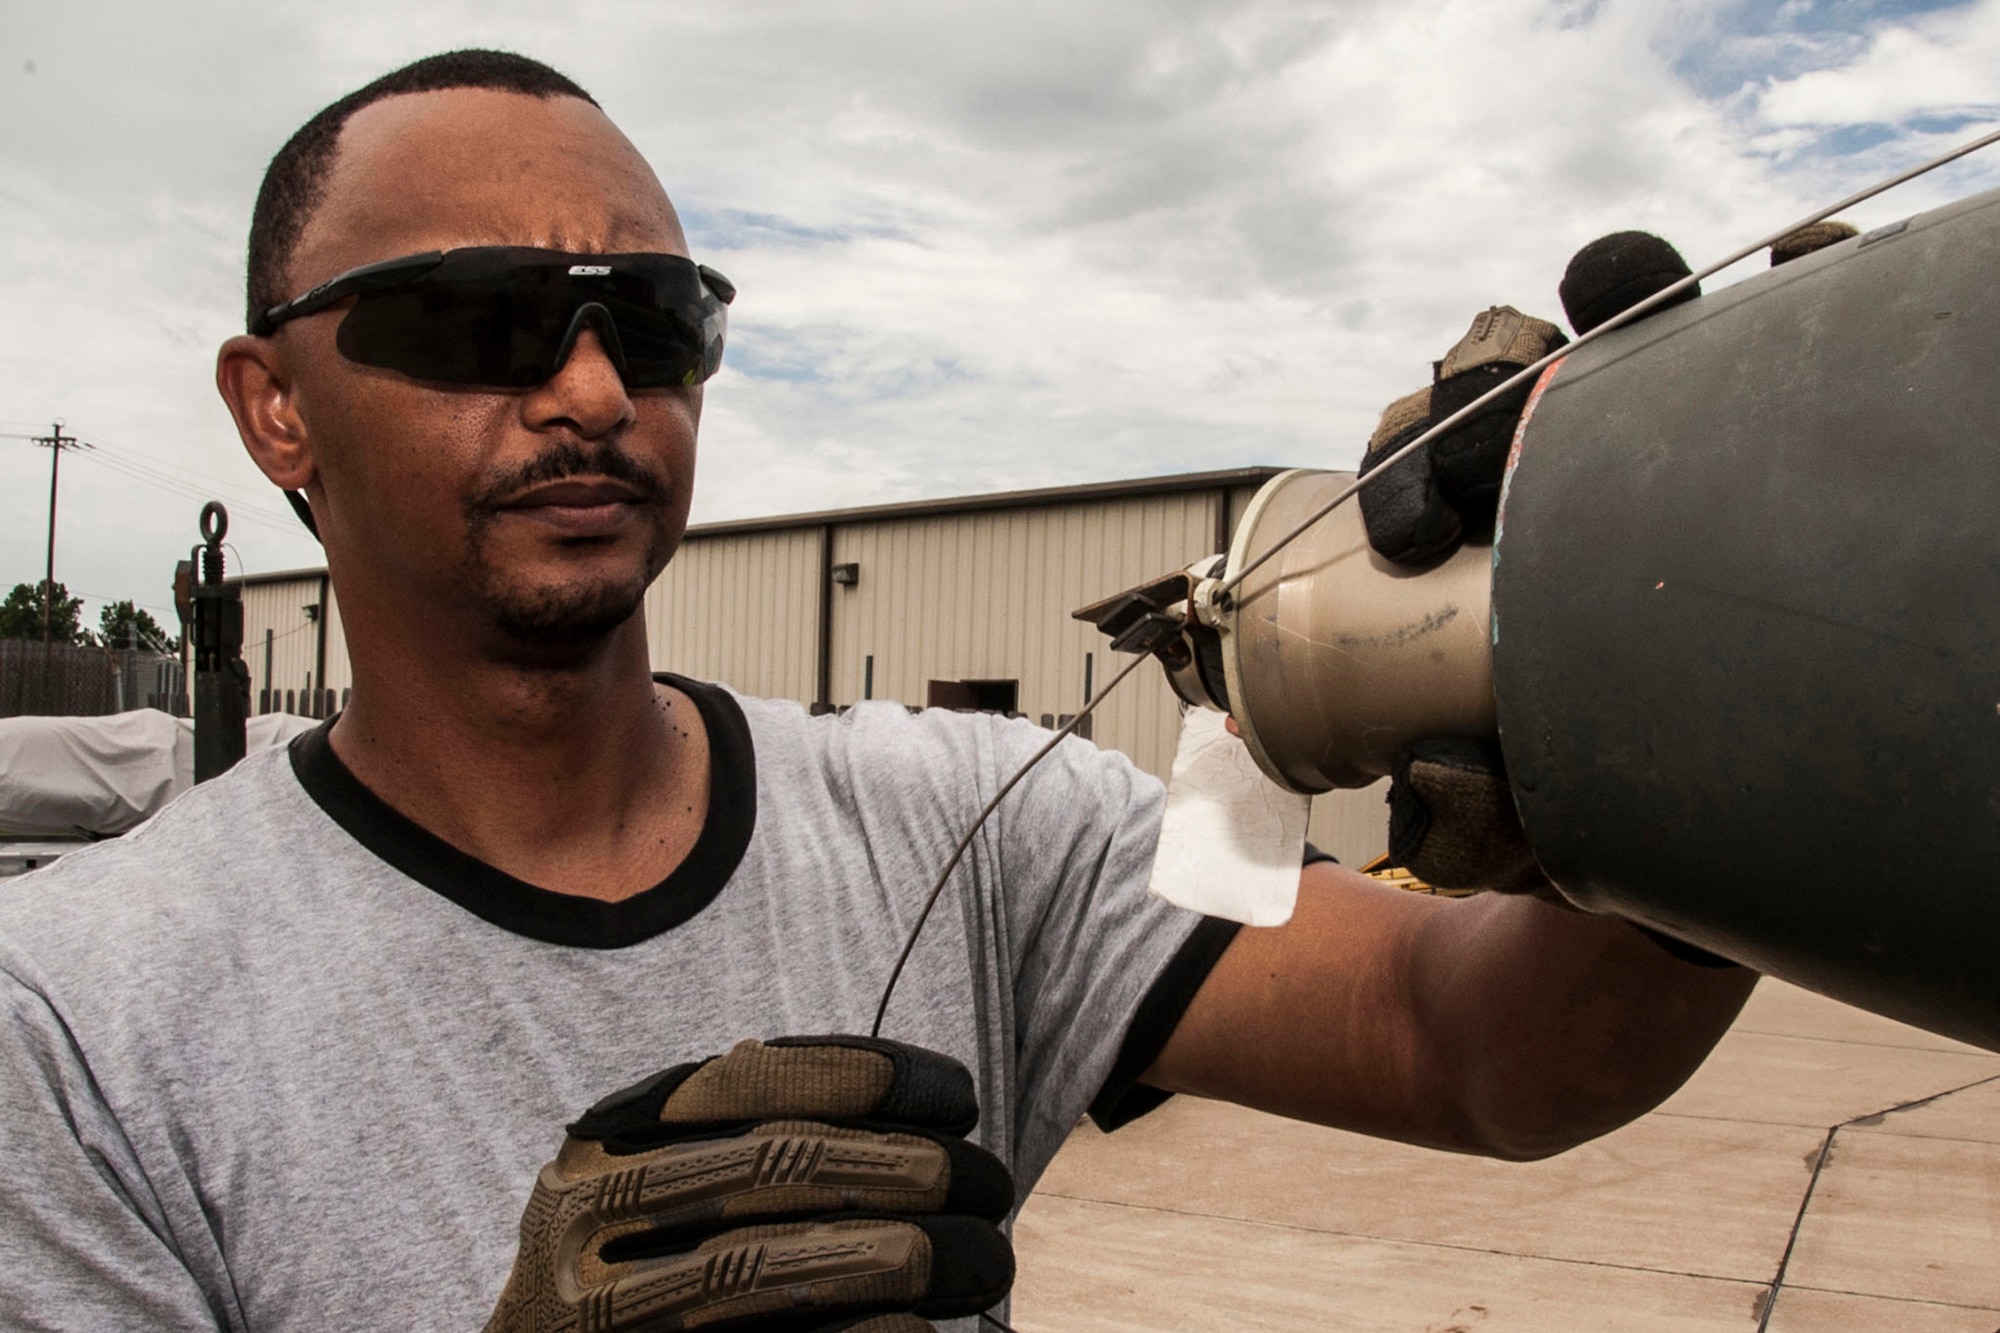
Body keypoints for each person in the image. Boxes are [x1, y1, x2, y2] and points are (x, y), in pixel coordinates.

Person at [0, 51, 1757, 1332]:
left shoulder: (974, 822)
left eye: (660, 319)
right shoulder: (77, 1019)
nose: (596, 386)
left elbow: (1484, 1050)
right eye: (483, 318)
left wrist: (1713, 686)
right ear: (272, 405)